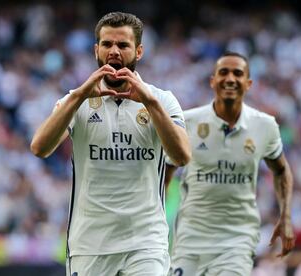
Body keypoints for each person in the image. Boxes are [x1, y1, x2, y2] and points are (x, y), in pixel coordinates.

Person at [30, 12, 191, 276]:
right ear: (96, 49)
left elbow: (182, 155)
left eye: (123, 45)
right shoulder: (76, 99)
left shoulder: (162, 100)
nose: (114, 51)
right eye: (107, 44)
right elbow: (40, 147)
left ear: (138, 51)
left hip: (145, 243)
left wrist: (150, 103)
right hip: (90, 245)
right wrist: (80, 95)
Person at [165, 52, 295, 276]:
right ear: (212, 80)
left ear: (249, 83)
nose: (231, 79)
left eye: (238, 73)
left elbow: (281, 170)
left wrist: (286, 216)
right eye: (223, 72)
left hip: (237, 239)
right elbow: (164, 174)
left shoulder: (265, 126)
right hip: (190, 236)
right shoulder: (188, 121)